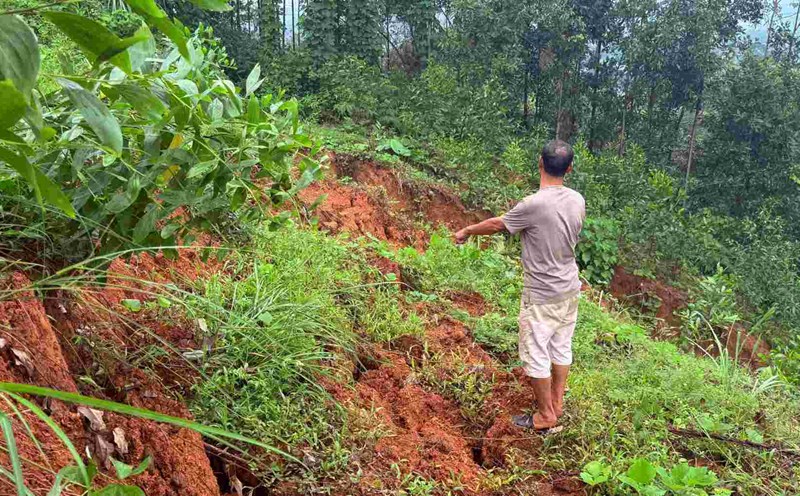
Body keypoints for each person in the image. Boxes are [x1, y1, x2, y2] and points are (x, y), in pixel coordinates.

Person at [454, 139, 585, 431]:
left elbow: (498, 224)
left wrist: (466, 230)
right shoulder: (578, 200)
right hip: (569, 288)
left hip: (542, 294)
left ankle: (546, 416)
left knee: (536, 352)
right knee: (561, 347)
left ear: (539, 163)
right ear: (570, 168)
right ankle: (557, 403)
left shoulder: (533, 204)